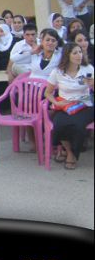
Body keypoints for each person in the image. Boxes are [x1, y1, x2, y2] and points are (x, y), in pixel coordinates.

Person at [44, 42, 94, 170]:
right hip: (65, 105)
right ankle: (69, 152)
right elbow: (47, 93)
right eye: (75, 53)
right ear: (67, 55)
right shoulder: (58, 71)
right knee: (60, 123)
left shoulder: (88, 68)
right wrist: (56, 103)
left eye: (80, 52)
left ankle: (70, 153)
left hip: (84, 104)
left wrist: (92, 85)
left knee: (77, 125)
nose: (79, 55)